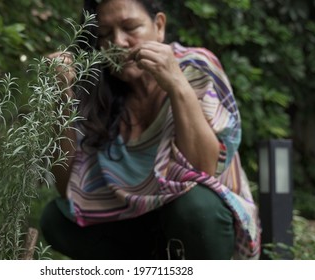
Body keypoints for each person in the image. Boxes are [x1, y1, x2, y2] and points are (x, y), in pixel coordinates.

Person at [40, 0, 260, 260]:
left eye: (130, 27)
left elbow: (203, 171)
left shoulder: (194, 67)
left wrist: (177, 84)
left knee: (194, 206)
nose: (118, 42)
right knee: (56, 218)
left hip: (200, 222)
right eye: (105, 34)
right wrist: (61, 95)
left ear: (159, 26)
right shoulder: (95, 88)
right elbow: (69, 189)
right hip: (135, 224)